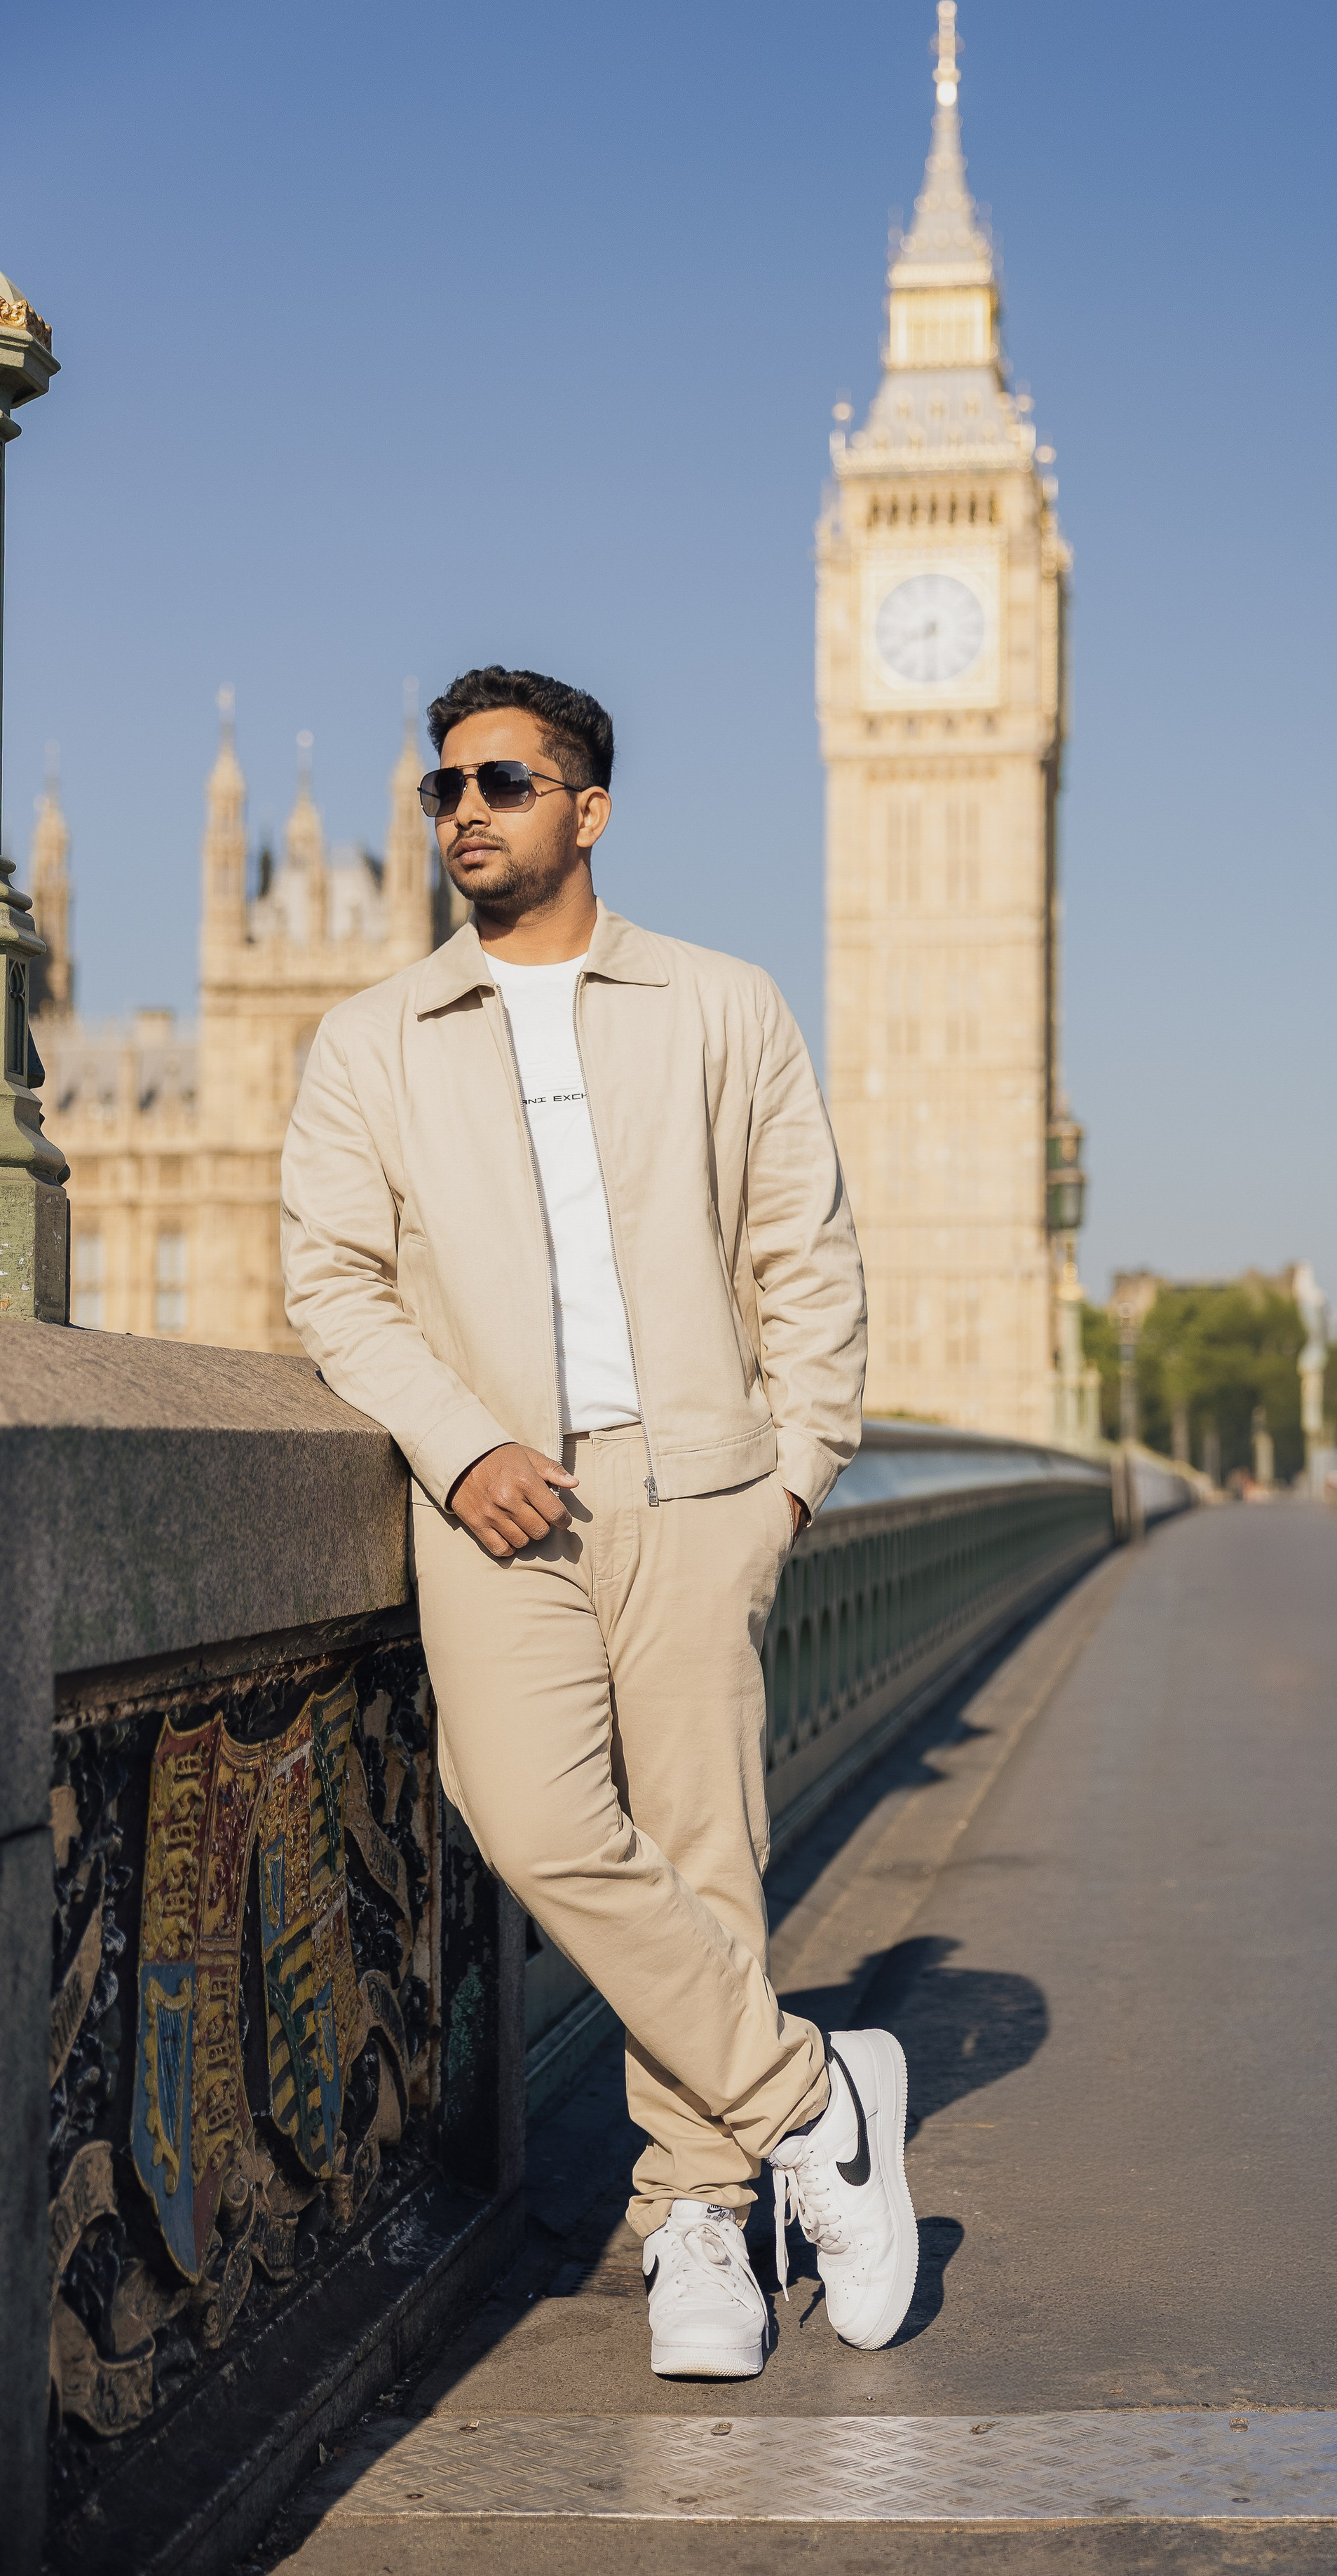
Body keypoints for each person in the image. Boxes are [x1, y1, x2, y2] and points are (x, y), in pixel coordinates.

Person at [280, 662, 915, 2378]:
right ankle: (815, 2105)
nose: (463, 813)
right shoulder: (372, 1038)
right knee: (534, 1818)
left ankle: (696, 2221)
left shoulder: (721, 1003)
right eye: (442, 791)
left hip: (701, 1484)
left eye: (499, 782)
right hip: (498, 1502)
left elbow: (807, 1252)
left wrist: (793, 1475)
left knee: (704, 1853)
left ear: (587, 807)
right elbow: (331, 1287)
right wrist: (457, 1440)